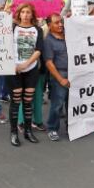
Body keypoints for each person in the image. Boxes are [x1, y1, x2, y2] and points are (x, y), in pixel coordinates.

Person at [9, 3, 44, 146]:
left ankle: (28, 131)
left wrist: (26, 64)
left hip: (31, 68)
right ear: (18, 13)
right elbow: (3, 45)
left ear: (32, 14)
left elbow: (38, 49)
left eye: (28, 12)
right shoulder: (12, 28)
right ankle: (13, 133)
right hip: (13, 70)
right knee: (16, 101)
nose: (25, 15)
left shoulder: (37, 29)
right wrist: (13, 64)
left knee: (28, 101)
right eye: (22, 12)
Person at [42, 13, 69, 141]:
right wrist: (61, 79)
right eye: (56, 23)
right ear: (49, 25)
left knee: (72, 104)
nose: (60, 25)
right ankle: (52, 128)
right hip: (59, 74)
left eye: (61, 22)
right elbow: (49, 63)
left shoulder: (68, 36)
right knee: (57, 105)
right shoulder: (48, 41)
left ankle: (72, 127)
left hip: (73, 73)